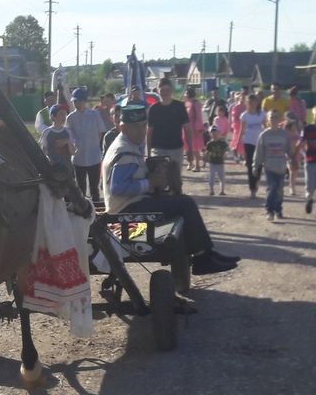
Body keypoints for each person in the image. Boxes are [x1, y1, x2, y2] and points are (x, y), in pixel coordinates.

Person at [100, 102, 239, 275]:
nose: (142, 131)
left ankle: (206, 254)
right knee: (185, 204)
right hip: (126, 211)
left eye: (143, 126)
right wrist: (150, 183)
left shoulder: (129, 144)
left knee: (179, 201)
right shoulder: (123, 150)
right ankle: (202, 258)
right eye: (136, 127)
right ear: (123, 127)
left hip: (133, 204)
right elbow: (117, 188)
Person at [66, 87, 108, 204]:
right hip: (78, 158)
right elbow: (69, 136)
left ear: (84, 101)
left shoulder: (94, 115)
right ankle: (82, 212)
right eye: (74, 101)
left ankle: (96, 210)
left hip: (94, 156)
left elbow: (101, 132)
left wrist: (94, 145)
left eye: (78, 101)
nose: (76, 103)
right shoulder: (70, 118)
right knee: (81, 188)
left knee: (94, 188)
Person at [253, 109, 292, 222]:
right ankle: (269, 211)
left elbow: (289, 150)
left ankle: (278, 210)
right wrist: (255, 166)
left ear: (279, 119)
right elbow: (259, 152)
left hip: (281, 167)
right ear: (268, 120)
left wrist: (294, 158)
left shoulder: (284, 134)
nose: (273, 120)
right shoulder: (264, 135)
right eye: (271, 118)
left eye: (275, 117)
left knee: (279, 190)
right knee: (272, 187)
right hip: (269, 167)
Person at [145, 79, 188, 177]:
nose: (165, 92)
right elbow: (149, 132)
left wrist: (189, 149)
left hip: (176, 148)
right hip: (158, 149)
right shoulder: (153, 109)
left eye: (167, 89)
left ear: (171, 90)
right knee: (159, 179)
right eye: (162, 90)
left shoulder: (179, 107)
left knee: (175, 179)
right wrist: (148, 153)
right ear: (158, 91)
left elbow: (187, 129)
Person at [238, 92, 265, 197]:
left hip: (260, 142)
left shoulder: (262, 114)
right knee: (250, 166)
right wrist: (238, 143)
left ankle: (256, 181)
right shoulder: (244, 115)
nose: (252, 104)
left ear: (257, 102)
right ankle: (252, 189)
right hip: (248, 142)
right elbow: (242, 130)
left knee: (259, 165)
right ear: (246, 103)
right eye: (249, 102)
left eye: (254, 102)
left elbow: (266, 126)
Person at [43, 104, 75, 170]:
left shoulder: (68, 131)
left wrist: (67, 141)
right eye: (61, 114)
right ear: (53, 117)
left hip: (67, 167)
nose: (64, 117)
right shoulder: (47, 132)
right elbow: (43, 152)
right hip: (52, 168)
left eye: (65, 114)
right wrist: (48, 159)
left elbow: (73, 152)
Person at [183, 86, 205, 172]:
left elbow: (198, 117)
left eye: (185, 93)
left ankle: (197, 165)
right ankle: (190, 162)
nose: (184, 95)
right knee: (188, 147)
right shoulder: (186, 103)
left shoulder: (196, 103)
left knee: (194, 147)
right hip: (186, 127)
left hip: (194, 128)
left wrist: (198, 128)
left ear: (188, 94)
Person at [204, 124, 228, 196]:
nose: (214, 134)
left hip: (220, 162)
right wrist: (204, 159)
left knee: (222, 177)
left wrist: (226, 154)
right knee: (211, 177)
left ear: (219, 133)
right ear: (210, 134)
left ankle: (222, 190)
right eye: (212, 133)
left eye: (215, 132)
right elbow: (207, 152)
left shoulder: (222, 142)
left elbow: (226, 149)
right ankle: (211, 190)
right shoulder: (210, 143)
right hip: (212, 162)